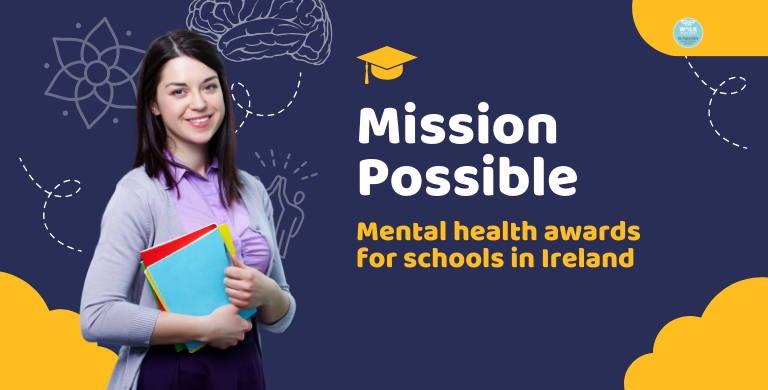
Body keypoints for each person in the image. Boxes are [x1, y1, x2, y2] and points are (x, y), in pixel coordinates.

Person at [79, 29, 296, 390]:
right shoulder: (138, 193)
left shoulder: (253, 189)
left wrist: (270, 295)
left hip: (244, 372)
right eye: (178, 91)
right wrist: (204, 329)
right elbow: (97, 316)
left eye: (209, 87)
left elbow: (279, 316)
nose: (199, 103)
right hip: (169, 374)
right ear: (153, 104)